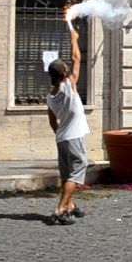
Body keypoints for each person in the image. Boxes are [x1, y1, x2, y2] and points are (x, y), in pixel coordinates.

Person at [46, 25, 89, 225]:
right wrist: (74, 39)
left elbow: (52, 119)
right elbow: (76, 59)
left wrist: (59, 133)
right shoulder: (68, 87)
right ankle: (60, 209)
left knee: (66, 174)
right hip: (74, 136)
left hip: (62, 137)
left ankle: (70, 205)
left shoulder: (50, 96)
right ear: (64, 75)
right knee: (77, 171)